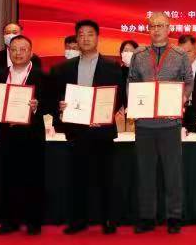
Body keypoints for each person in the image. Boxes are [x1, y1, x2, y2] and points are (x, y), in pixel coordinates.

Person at [50, 19, 125, 235]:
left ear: (97, 38)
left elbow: (120, 96)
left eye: (90, 34)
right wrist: (60, 106)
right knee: (77, 178)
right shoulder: (64, 69)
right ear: (76, 39)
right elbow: (55, 97)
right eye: (81, 35)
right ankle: (78, 221)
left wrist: (105, 113)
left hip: (102, 131)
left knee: (106, 178)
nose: (85, 39)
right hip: (77, 131)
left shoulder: (113, 67)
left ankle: (108, 220)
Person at [127, 12, 193, 234]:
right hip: (145, 124)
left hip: (170, 123)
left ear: (169, 28)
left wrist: (183, 98)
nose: (156, 29)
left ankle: (174, 216)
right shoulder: (138, 55)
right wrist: (134, 105)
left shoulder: (180, 54)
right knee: (145, 172)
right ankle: (147, 217)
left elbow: (188, 81)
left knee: (172, 173)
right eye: (152, 26)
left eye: (161, 25)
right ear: (148, 29)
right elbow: (131, 82)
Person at [0, 35, 53, 235]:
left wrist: (37, 106)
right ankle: (9, 221)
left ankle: (33, 222)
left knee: (33, 179)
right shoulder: (0, 73)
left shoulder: (41, 75)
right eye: (14, 50)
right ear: (8, 52)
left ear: (31, 52)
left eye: (22, 49)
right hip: (6, 135)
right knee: (6, 178)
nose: (18, 53)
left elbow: (51, 103)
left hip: (31, 136)